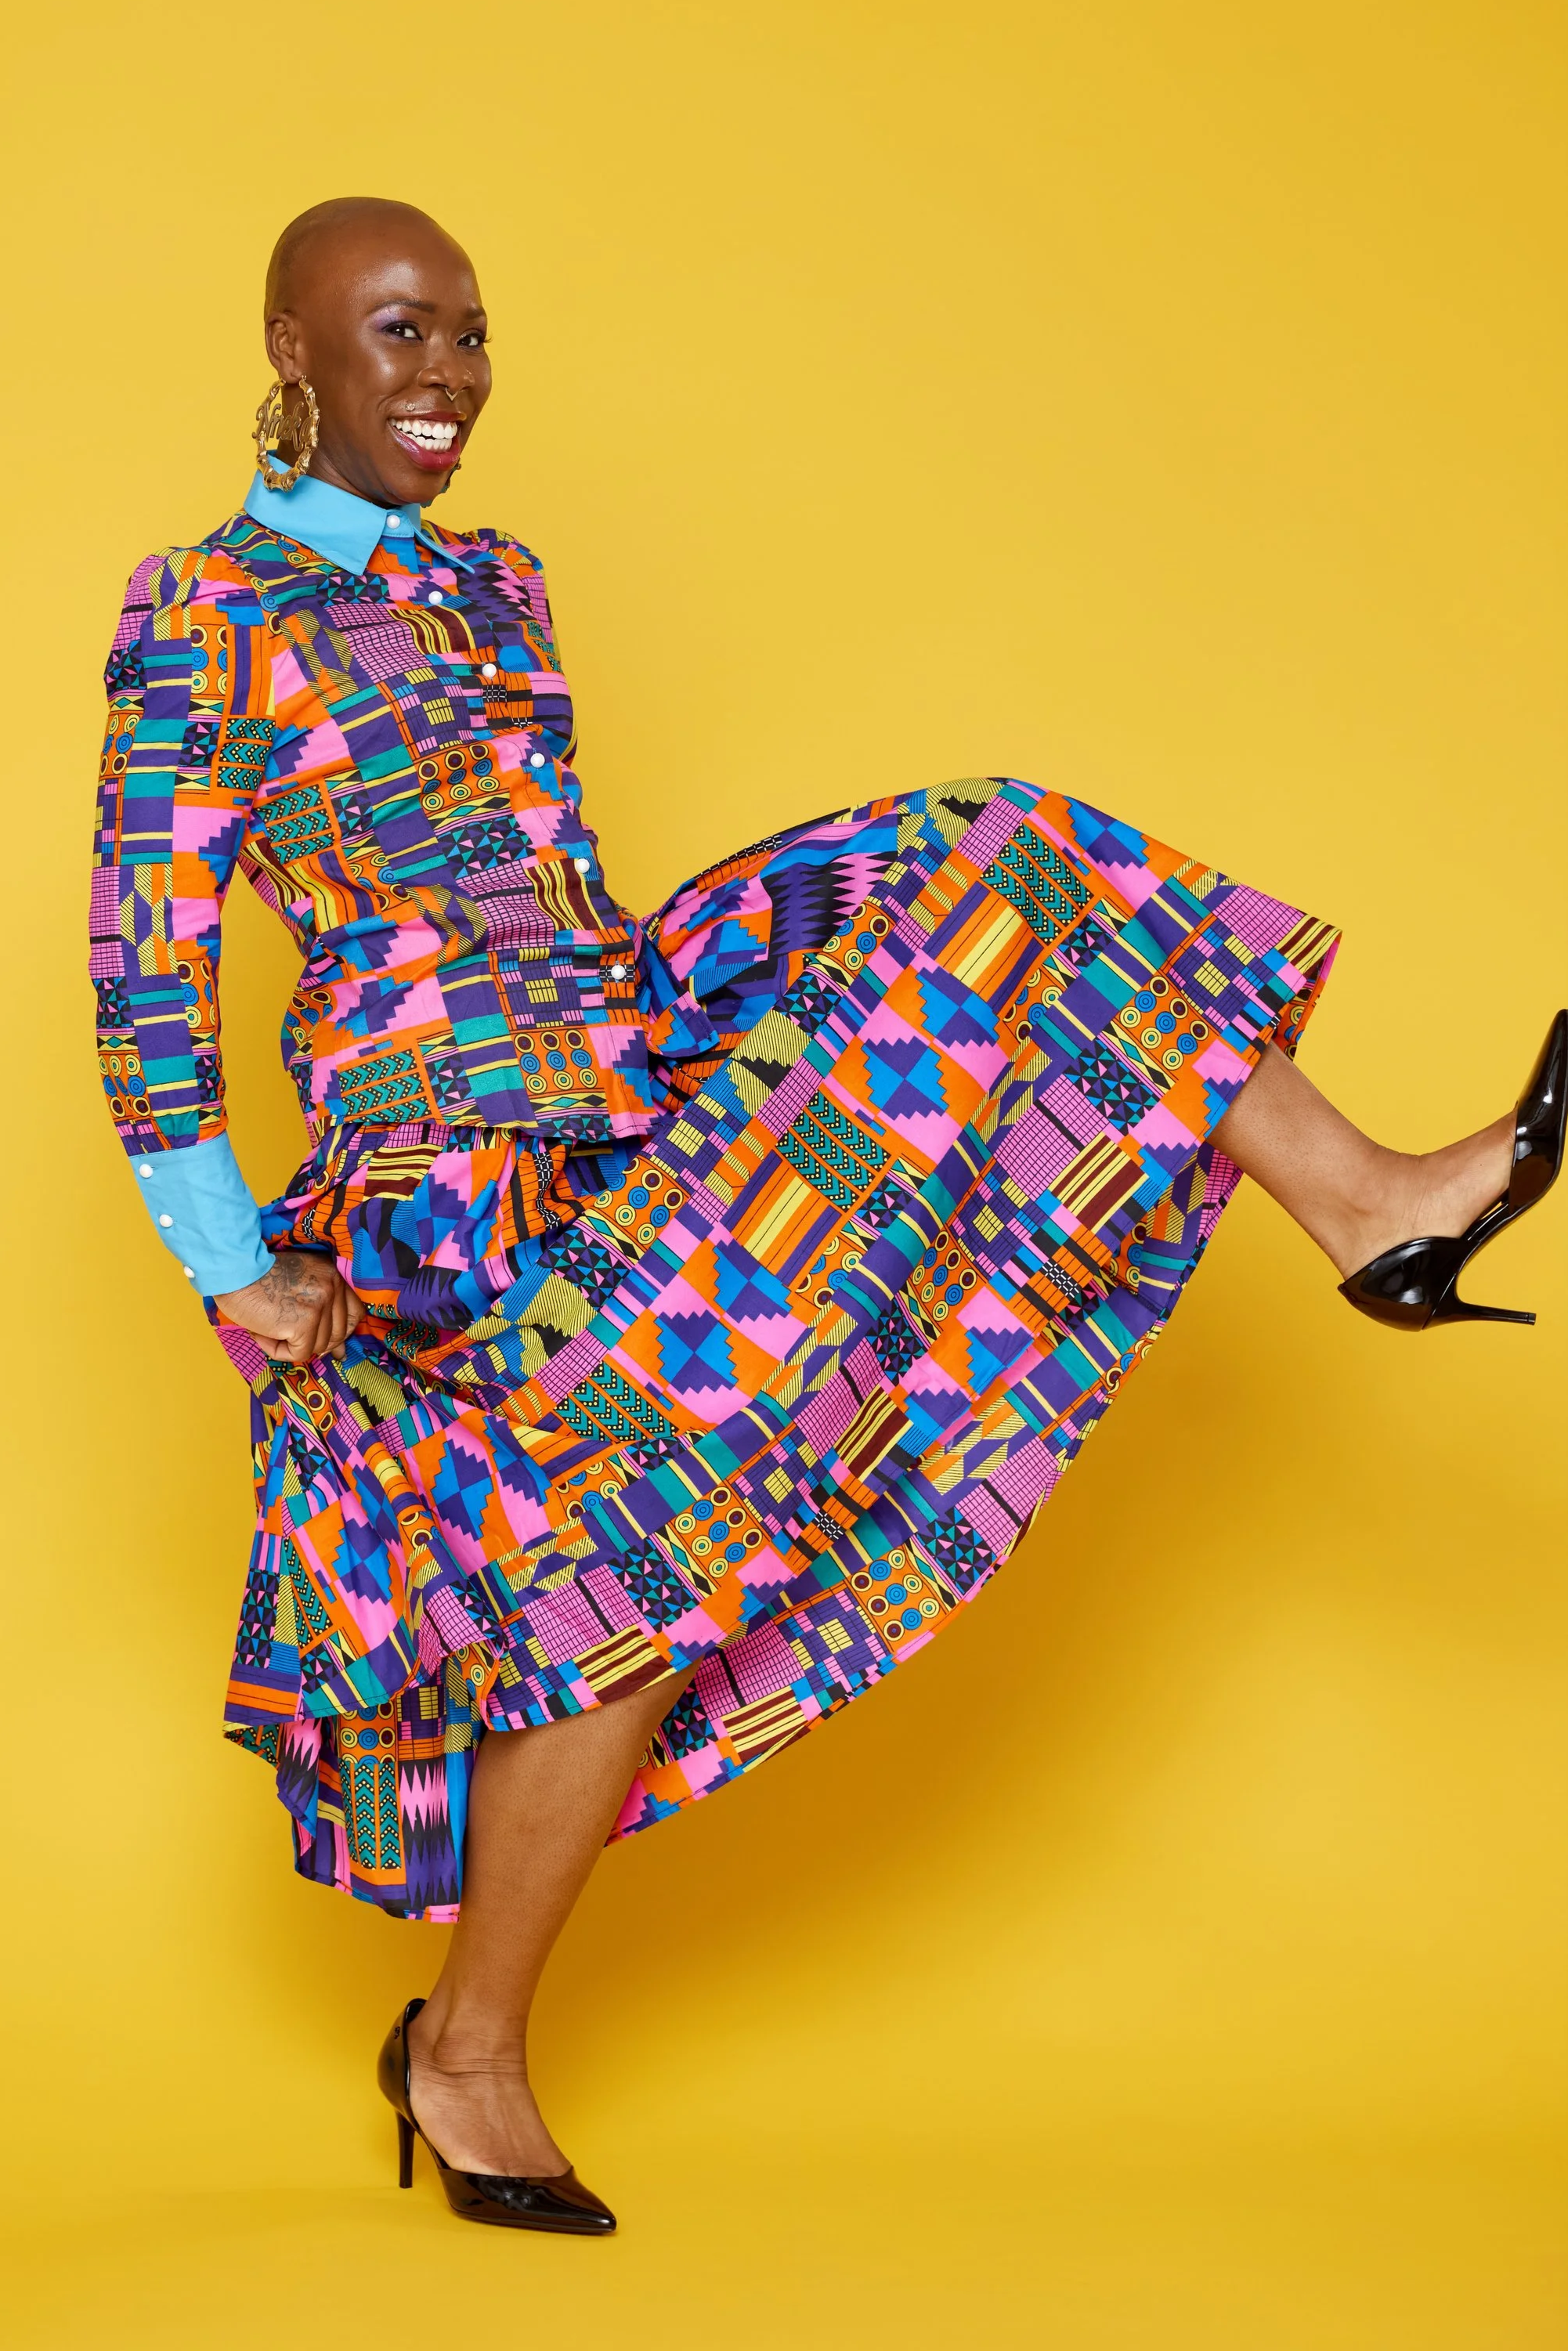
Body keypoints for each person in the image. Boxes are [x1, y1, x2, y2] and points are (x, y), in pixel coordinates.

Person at [91, 196, 1564, 2235]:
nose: (446, 376)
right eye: (400, 331)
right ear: (291, 344)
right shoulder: (202, 615)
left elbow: (545, 892)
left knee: (1007, 865)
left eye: (473, 335)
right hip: (429, 1170)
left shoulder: (500, 583)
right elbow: (142, 965)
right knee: (611, 1595)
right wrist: (230, 1263)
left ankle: (1380, 1207)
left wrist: (712, 1026)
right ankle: (468, 2054)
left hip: (625, 1064)